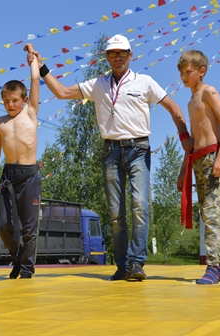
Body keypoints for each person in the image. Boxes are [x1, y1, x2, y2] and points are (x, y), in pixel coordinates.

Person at [26, 35, 193, 281]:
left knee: (140, 206)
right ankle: (123, 265)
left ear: (130, 55)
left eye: (121, 53)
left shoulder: (144, 82)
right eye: (112, 53)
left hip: (138, 149)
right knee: (115, 214)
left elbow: (174, 108)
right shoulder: (98, 84)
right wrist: (41, 66)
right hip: (110, 151)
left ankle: (137, 264)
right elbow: (61, 92)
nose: (117, 57)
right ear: (107, 57)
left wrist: (184, 137)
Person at [175, 49, 220, 285]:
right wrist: (183, 171)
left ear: (202, 71)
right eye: (181, 73)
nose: (183, 76)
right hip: (197, 159)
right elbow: (192, 142)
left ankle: (212, 267)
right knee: (209, 215)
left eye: (188, 72)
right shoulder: (191, 100)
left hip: (213, 157)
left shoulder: (209, 92)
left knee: (212, 214)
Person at [0, 44, 41, 279]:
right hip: (8, 176)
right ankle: (17, 256)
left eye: (14, 100)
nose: (10, 105)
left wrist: (32, 59)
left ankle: (27, 269)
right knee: (3, 225)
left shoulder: (30, 113)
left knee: (29, 228)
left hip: (29, 175)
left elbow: (36, 80)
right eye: (6, 101)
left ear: (24, 100)